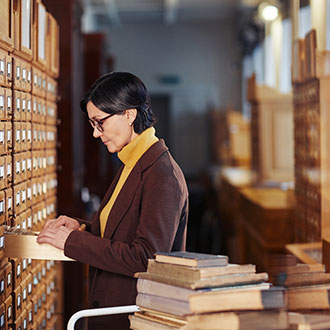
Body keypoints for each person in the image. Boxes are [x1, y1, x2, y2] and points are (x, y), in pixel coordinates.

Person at [37, 72, 189, 330]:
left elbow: (146, 258)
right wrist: (81, 228)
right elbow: (123, 230)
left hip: (135, 318)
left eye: (100, 123)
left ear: (128, 115)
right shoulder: (133, 162)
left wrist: (72, 242)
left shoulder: (162, 174)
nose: (96, 134)